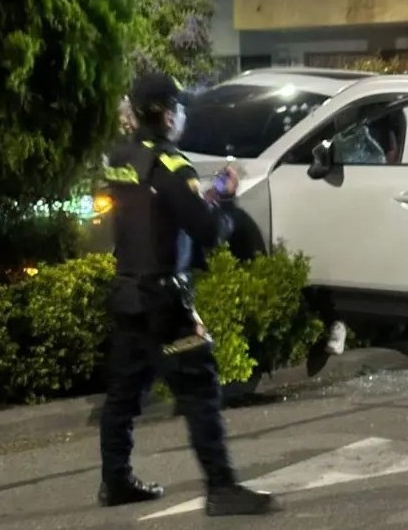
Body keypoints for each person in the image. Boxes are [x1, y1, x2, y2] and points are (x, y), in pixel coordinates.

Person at [98, 72, 277, 516]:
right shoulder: (172, 165)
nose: (182, 115)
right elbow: (207, 231)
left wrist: (205, 195)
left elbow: (159, 208)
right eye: (178, 107)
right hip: (166, 304)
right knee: (199, 390)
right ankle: (221, 488)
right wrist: (227, 201)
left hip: (128, 294)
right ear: (165, 114)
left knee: (123, 395)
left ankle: (115, 480)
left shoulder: (119, 158)